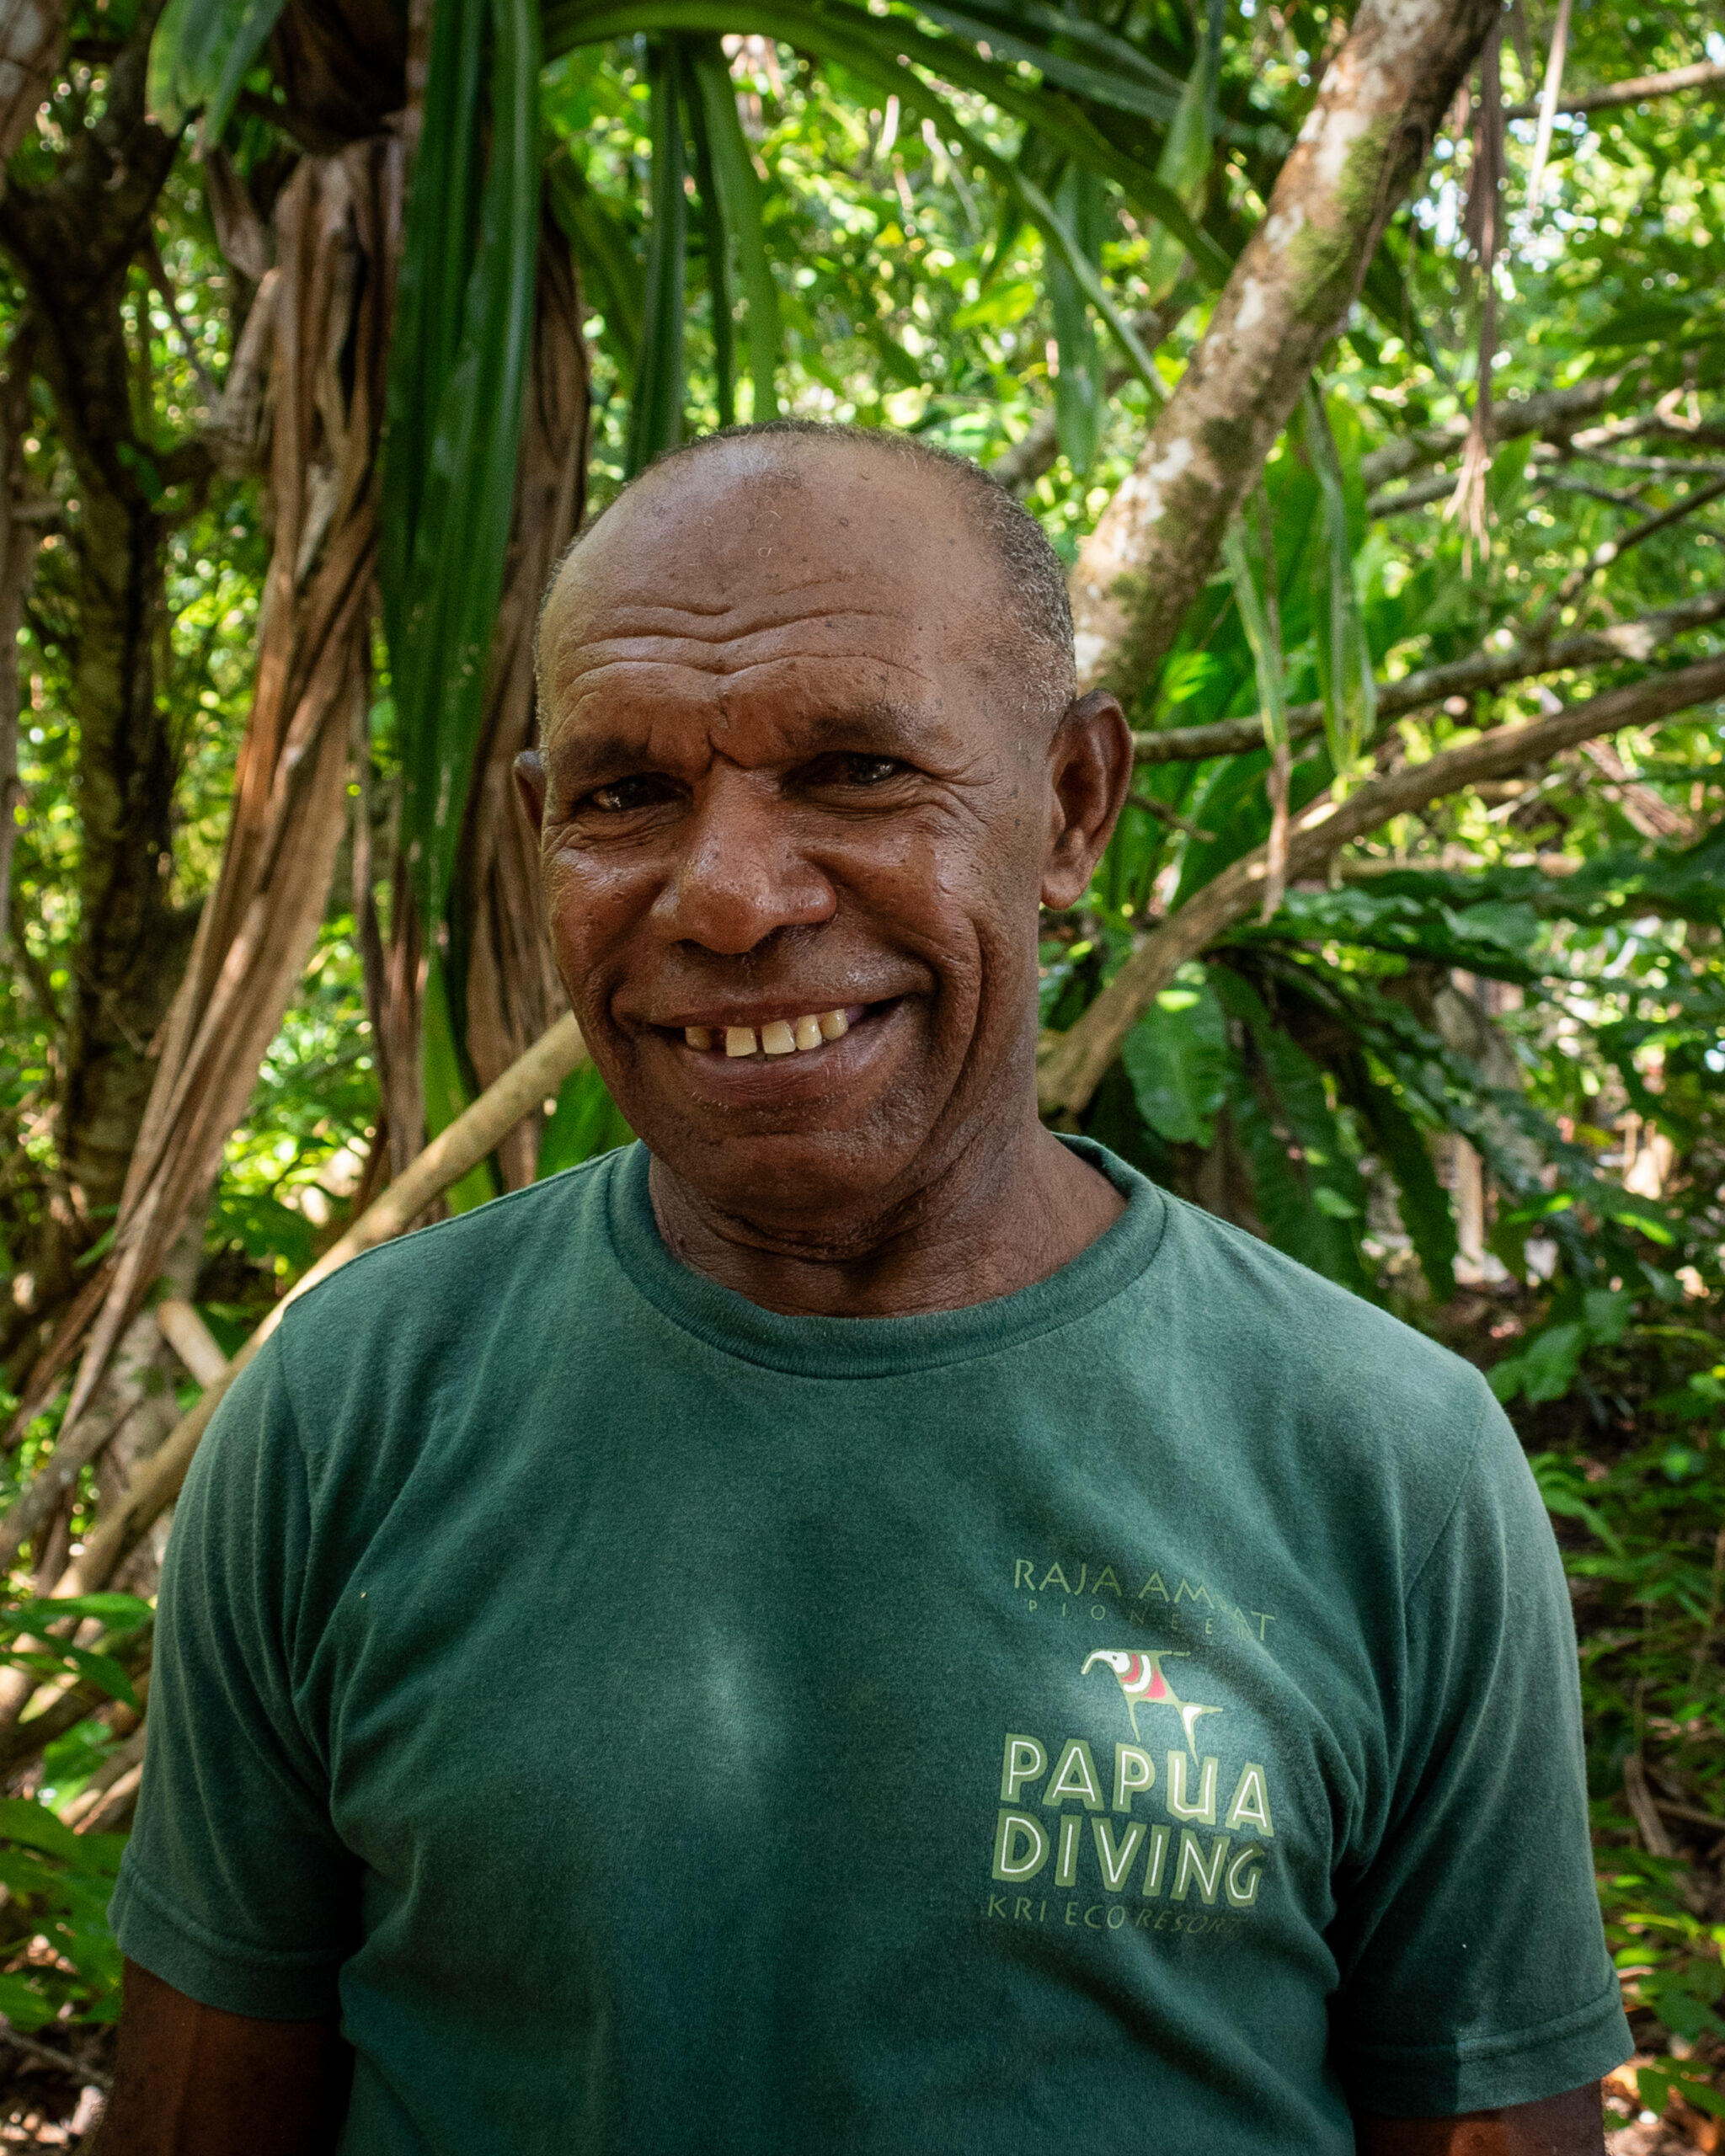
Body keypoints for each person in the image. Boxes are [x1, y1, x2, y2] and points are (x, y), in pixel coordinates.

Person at [95, 424, 1629, 2155]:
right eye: (624, 793)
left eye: (853, 769)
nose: (731, 895)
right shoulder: (348, 1411)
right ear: (542, 837)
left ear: (1068, 807)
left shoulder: (1385, 1460)